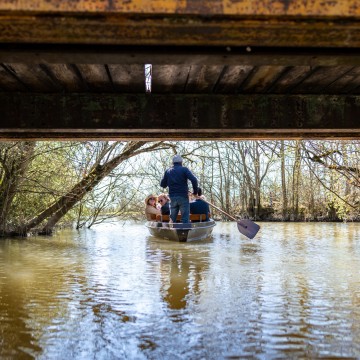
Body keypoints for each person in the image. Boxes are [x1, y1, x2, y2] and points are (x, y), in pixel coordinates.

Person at [160, 154, 198, 224]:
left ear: (173, 163)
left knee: (172, 220)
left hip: (173, 197)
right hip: (183, 196)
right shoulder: (184, 169)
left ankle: (172, 233)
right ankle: (184, 233)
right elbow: (194, 180)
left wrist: (169, 182)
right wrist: (195, 192)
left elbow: (162, 185)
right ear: (181, 162)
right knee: (185, 220)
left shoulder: (168, 171)